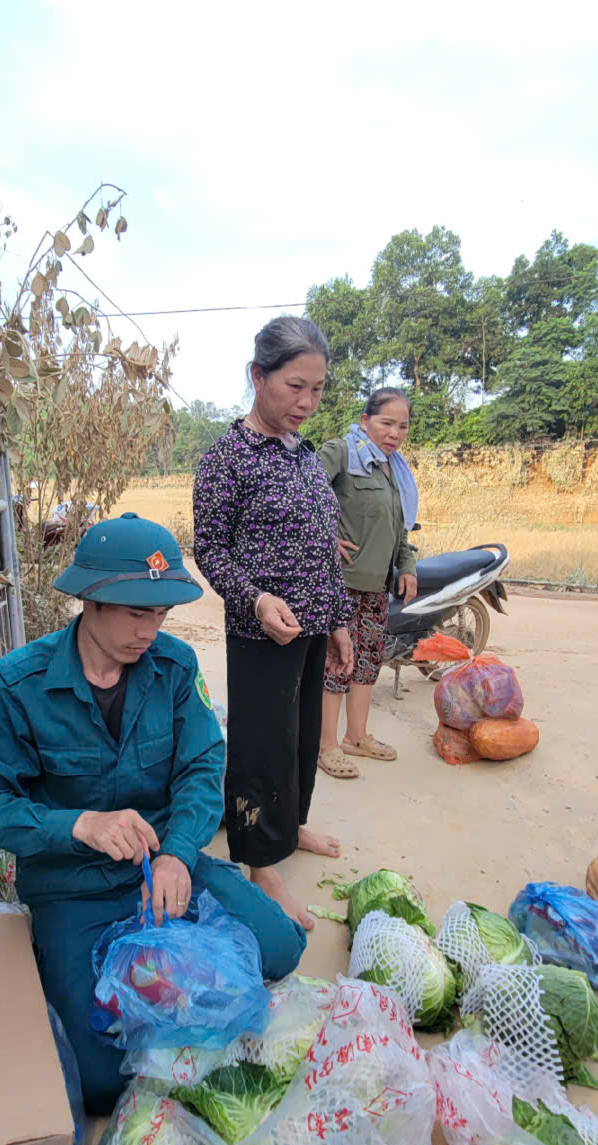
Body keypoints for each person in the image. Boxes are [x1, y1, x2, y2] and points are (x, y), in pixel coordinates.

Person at [0, 513, 306, 1114]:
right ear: (89, 599)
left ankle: (172, 976)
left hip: (168, 867)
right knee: (99, 1082)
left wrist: (177, 852)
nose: (150, 630)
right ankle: (82, 968)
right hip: (74, 890)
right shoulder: (16, 685)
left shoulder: (174, 669)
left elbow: (202, 768)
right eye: (135, 611)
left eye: (161, 613)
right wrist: (77, 824)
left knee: (282, 947)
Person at [191, 316, 354, 933]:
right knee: (261, 743)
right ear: (258, 377)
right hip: (263, 629)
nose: (307, 403)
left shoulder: (307, 457)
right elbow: (210, 548)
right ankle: (261, 862)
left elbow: (320, 547)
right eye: (294, 387)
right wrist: (254, 599)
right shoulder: (228, 458)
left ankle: (291, 824)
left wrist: (338, 619)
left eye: (317, 389)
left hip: (312, 625)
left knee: (302, 734)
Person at [316, 389, 419, 778]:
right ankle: (326, 746)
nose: (394, 433)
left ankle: (355, 737)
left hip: (378, 585)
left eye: (403, 426)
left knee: (367, 664)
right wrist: (326, 535)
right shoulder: (341, 452)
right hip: (341, 583)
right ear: (364, 420)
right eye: (386, 423)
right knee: (337, 664)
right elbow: (302, 495)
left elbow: (400, 530)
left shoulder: (394, 470)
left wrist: (407, 565)